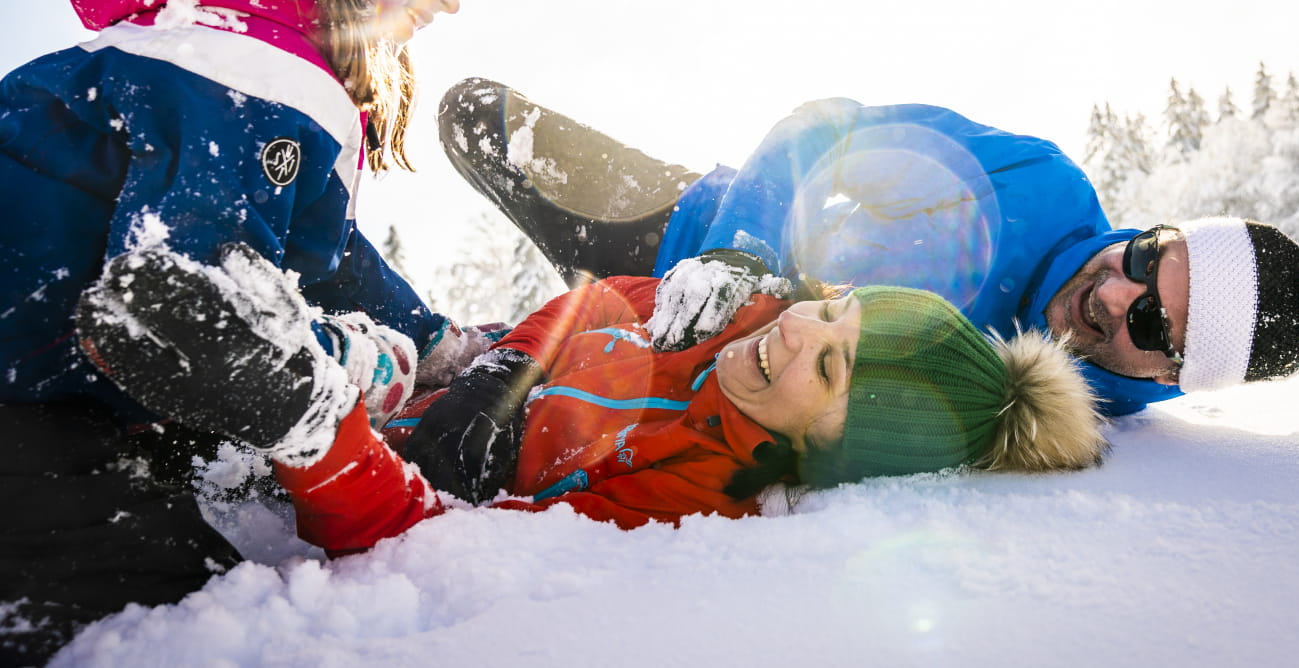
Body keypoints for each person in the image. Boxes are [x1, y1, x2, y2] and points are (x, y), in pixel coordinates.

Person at [0, 0, 497, 659]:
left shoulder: (234, 49)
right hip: (21, 392)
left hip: (42, 365)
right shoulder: (243, 74)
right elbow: (176, 293)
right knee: (131, 595)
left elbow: (327, 253)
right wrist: (346, 363)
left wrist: (433, 341)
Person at [74, 242, 1108, 555]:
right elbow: (595, 306)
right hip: (451, 378)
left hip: (358, 464)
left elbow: (427, 545)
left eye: (831, 367)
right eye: (831, 308)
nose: (798, 328)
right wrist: (501, 368)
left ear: (837, 448)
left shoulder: (690, 495)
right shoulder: (725, 314)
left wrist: (311, 427)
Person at [436, 82, 1299, 417]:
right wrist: (738, 251)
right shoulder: (1037, 185)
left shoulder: (1060, 417)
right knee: (476, 116)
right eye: (1150, 260)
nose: (1117, 294)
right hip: (680, 224)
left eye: (1154, 323)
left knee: (459, 381)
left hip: (680, 357)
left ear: (1174, 379)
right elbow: (826, 127)